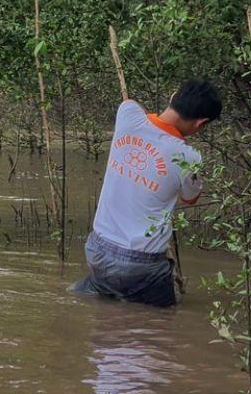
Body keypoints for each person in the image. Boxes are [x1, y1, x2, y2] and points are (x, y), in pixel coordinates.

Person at [72, 80, 221, 307]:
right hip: (140, 266)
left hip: (97, 251)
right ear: (201, 123)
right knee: (163, 326)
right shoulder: (189, 158)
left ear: (172, 96)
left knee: (107, 307)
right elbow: (190, 198)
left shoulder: (128, 116)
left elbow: (130, 102)